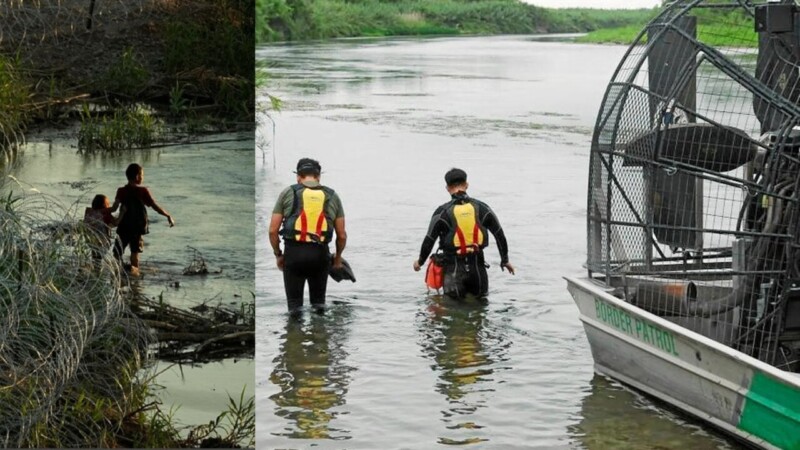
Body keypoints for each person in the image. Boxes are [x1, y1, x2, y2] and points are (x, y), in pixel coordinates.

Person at [413, 168, 514, 299]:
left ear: (447, 188)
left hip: (453, 271)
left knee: (454, 311)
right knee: (480, 311)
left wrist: (419, 262)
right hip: (478, 270)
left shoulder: (442, 213)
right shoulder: (483, 208)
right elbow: (499, 235)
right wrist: (505, 260)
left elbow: (429, 240)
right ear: (466, 184)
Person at [269, 158, 347, 313]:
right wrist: (337, 259)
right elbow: (342, 235)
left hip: (293, 255)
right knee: (319, 306)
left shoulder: (288, 192)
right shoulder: (332, 196)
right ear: (318, 176)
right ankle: (319, 334)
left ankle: (294, 335)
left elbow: (272, 231)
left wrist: (278, 255)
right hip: (320, 256)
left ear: (298, 176)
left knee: (294, 308)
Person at [112, 163, 175, 277]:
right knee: (135, 253)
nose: (142, 177)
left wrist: (99, 212)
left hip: (123, 226)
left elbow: (114, 208)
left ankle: (117, 274)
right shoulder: (143, 191)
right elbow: (155, 206)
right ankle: (135, 276)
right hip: (137, 227)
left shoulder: (121, 191)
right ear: (137, 177)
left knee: (117, 253)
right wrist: (167, 215)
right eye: (142, 175)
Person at [83, 194, 119, 261]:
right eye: (107, 204)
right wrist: (122, 211)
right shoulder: (104, 213)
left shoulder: (88, 212)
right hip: (102, 240)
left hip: (90, 239)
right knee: (99, 257)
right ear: (104, 205)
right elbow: (116, 221)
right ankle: (97, 269)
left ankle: (95, 269)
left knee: (95, 256)